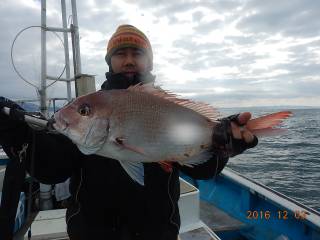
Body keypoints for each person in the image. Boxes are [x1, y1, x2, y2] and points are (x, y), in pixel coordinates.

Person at [0, 24, 258, 240]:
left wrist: (222, 144)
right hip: (93, 233)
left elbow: (202, 169)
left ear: (149, 60)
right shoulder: (88, 108)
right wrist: (13, 129)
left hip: (157, 233)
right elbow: (51, 168)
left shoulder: (167, 108)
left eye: (137, 52)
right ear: (110, 61)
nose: (129, 60)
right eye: (121, 53)